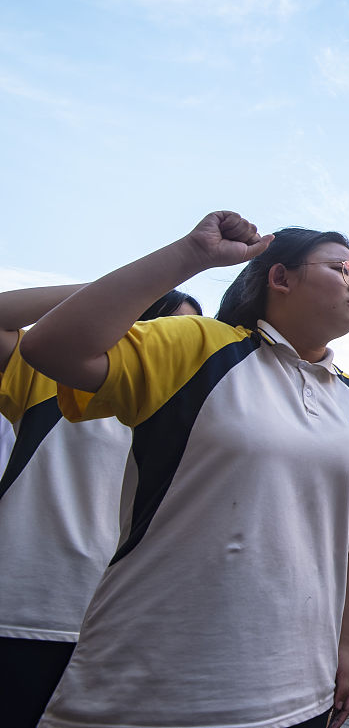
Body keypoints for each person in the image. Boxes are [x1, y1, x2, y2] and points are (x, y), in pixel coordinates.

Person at [20, 212, 349, 728]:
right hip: (159, 692)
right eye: (340, 269)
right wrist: (191, 256)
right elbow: (48, 345)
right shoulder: (200, 346)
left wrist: (343, 643)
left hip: (302, 690)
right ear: (280, 277)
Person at [0, 285, 200, 728]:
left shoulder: (191, 415)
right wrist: (123, 287)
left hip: (123, 626)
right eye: (149, 325)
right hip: (27, 610)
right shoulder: (48, 377)